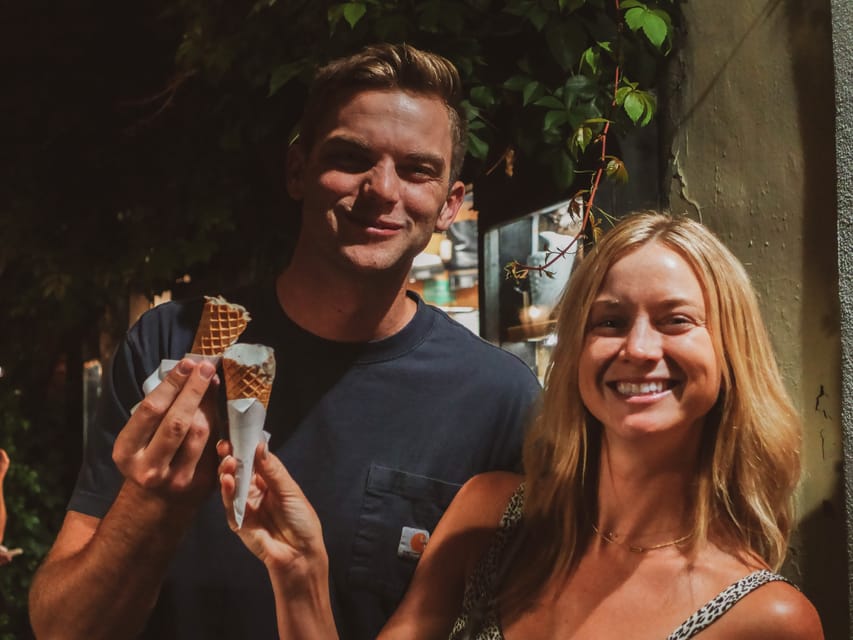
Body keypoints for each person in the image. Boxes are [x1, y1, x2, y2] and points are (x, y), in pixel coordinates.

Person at [28, 44, 541, 639]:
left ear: (451, 203)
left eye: (417, 170)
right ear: (297, 169)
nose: (382, 189)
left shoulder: (499, 400)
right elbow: (62, 629)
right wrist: (151, 504)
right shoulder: (171, 346)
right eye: (351, 158)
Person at [218, 211, 825, 639]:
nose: (638, 348)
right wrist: (300, 574)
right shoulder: (489, 517)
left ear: (730, 353)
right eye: (609, 322)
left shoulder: (766, 620)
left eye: (676, 321)